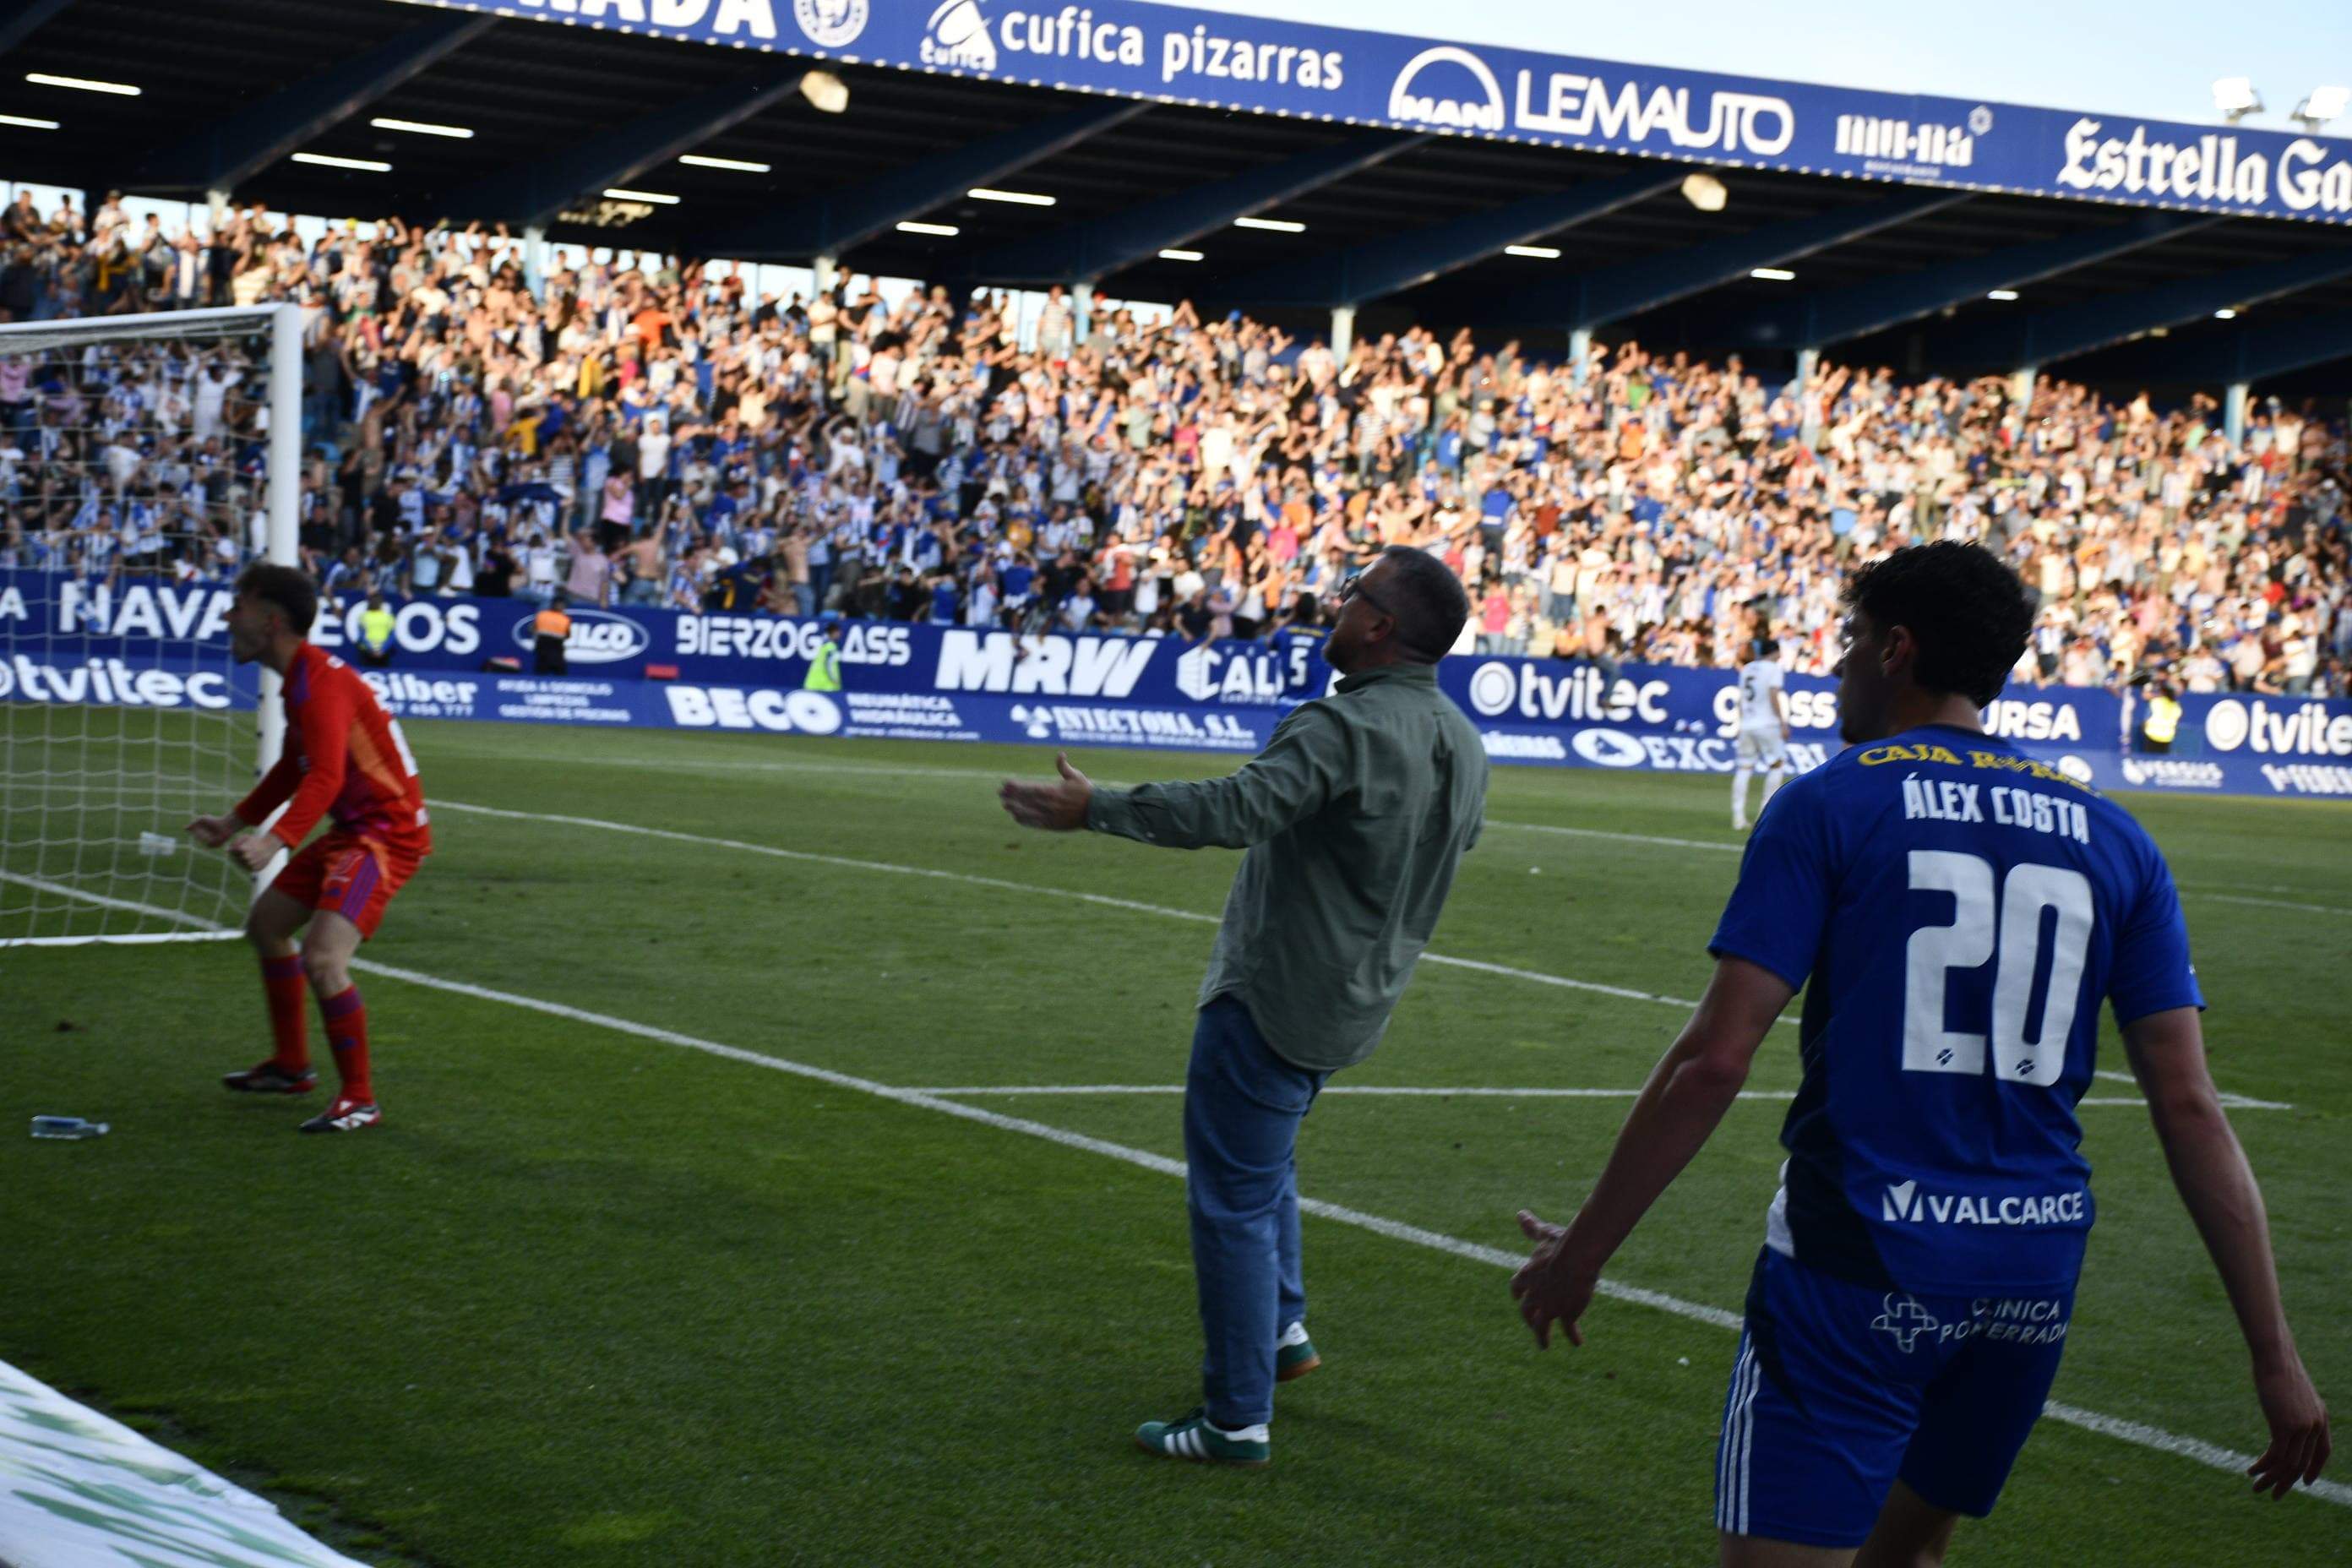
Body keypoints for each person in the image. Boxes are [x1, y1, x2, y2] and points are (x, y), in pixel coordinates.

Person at [1509, 542, 2330, 1563]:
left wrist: (1581, 1254)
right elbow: (2192, 1106)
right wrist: (2275, 1355)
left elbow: (1713, 1059)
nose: (1838, 665)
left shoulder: (1832, 800)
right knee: (1908, 1554)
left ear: (1897, 649)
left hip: (1859, 1263)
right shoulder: (2115, 837)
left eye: (1851, 640)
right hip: (2029, 1276)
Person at [999, 545, 1488, 1467]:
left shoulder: (1341, 725)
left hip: (1274, 994)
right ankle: (1283, 1331)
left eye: (1353, 596)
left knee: (1229, 1198)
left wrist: (1095, 806)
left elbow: (1234, 809)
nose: (1336, 606)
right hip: (1357, 1000)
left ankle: (1235, 1418)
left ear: (1381, 626)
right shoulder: (1462, 739)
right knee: (1269, 1161)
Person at [186, 564, 432, 1135]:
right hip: (354, 830)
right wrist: (232, 822)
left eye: (238, 605)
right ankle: (292, 1067)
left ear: (271, 622)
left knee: (324, 959)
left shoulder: (318, 684)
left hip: (385, 837)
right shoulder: (304, 680)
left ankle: (361, 1099)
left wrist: (273, 840)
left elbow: (322, 777)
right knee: (268, 925)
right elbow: (294, 770)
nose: (228, 616)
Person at [1731, 634, 1792, 831]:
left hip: (1748, 724)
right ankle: (1764, 815)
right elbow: (1774, 694)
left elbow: (1741, 700)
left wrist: (1740, 723)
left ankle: (1738, 817)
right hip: (1767, 723)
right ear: (1774, 651)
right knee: (1777, 764)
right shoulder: (1774, 669)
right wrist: (1782, 722)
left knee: (1744, 768)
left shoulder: (1747, 669)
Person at [803, 612, 845, 691]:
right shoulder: (830, 647)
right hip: (825, 686)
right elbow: (829, 665)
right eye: (838, 632)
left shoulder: (823, 645)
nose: (840, 634)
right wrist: (835, 680)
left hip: (813, 684)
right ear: (834, 633)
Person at [533, 591, 572, 674]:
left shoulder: (542, 614)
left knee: (542, 671)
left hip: (548, 647)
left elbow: (533, 629)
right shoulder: (564, 619)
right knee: (557, 671)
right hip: (551, 648)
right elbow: (567, 635)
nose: (561, 606)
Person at [356, 589, 395, 668]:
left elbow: (361, 636)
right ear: (381, 604)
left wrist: (372, 650)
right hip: (383, 652)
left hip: (367, 652)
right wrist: (382, 650)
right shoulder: (388, 617)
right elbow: (392, 637)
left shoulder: (364, 617)